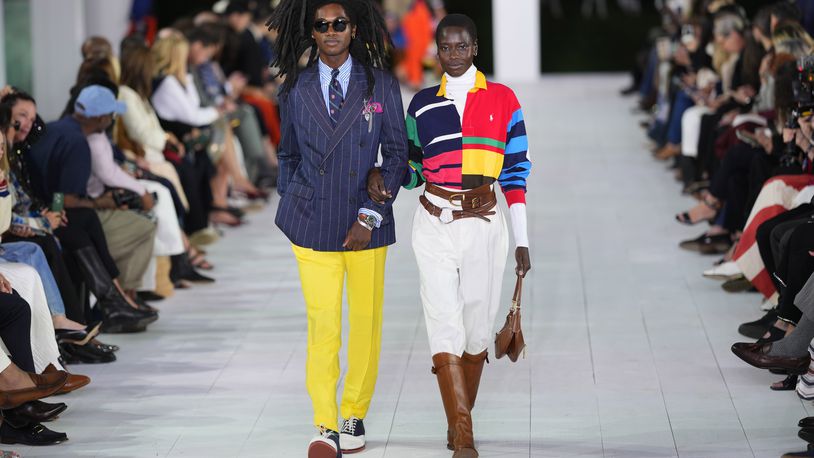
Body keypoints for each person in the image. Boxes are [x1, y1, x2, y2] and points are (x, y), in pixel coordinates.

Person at [369, 13, 531, 458]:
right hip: (433, 222)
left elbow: (516, 172)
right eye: (445, 47)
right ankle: (463, 433)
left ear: (474, 48)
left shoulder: (503, 99)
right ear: (436, 51)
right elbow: (414, 167)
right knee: (443, 322)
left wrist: (522, 239)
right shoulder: (422, 103)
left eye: (461, 46)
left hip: (485, 224)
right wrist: (385, 176)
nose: (453, 54)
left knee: (477, 331)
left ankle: (459, 418)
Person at [268, 1, 407, 456]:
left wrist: (369, 215)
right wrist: (292, 200)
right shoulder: (295, 89)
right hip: (313, 222)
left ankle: (353, 413)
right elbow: (287, 154)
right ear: (311, 32)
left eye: (339, 24)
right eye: (322, 25)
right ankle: (325, 424)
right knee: (322, 325)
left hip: (367, 221)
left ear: (353, 31)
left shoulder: (381, 83)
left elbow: (398, 157)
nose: (331, 31)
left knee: (366, 324)